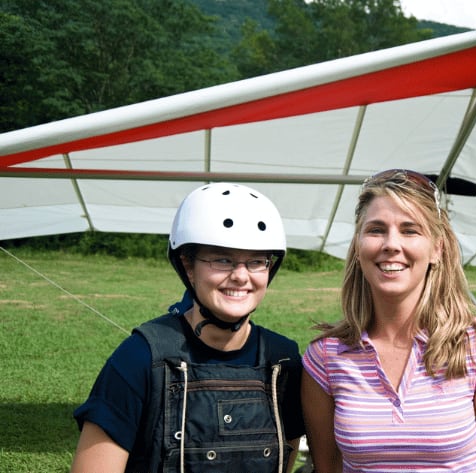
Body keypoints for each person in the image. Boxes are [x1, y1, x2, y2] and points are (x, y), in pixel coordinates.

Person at [301, 169, 476, 472]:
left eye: (410, 230)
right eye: (376, 230)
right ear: (357, 247)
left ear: (437, 249)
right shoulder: (325, 358)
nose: (391, 244)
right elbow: (327, 467)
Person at [71, 182, 304, 473]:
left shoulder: (282, 361)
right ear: (188, 265)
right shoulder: (140, 357)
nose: (241, 276)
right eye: (222, 259)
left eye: (256, 261)